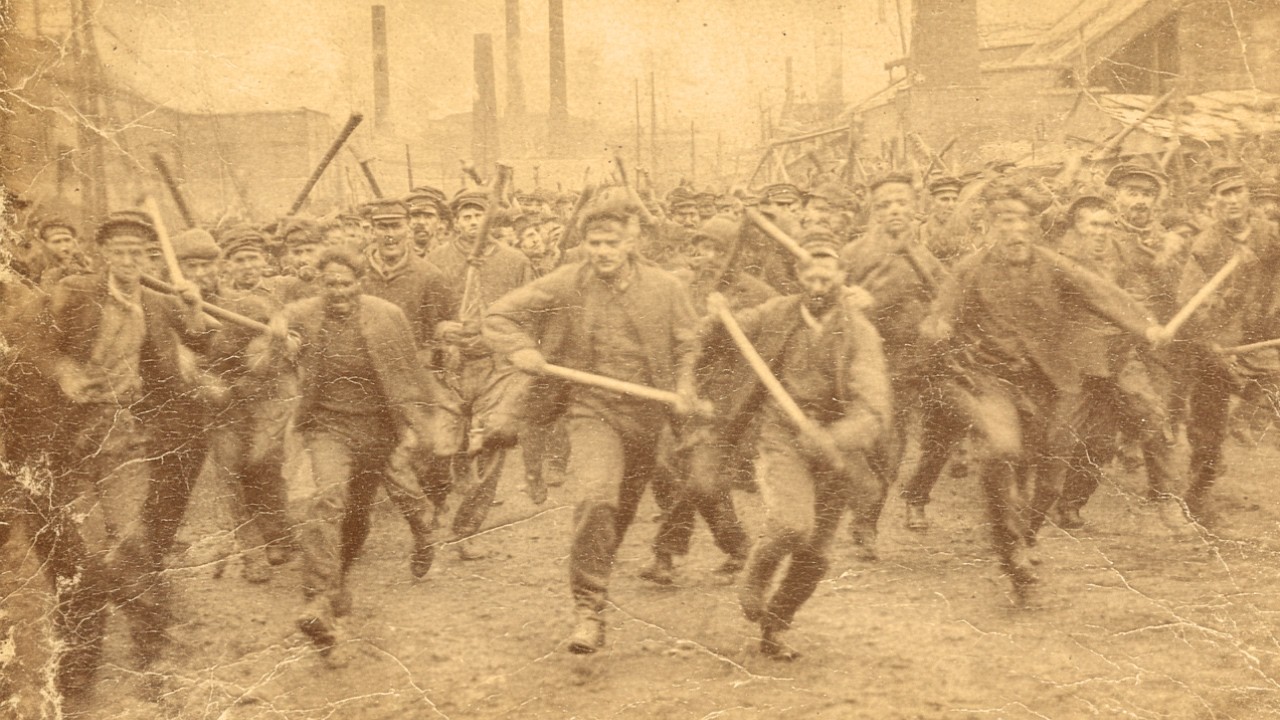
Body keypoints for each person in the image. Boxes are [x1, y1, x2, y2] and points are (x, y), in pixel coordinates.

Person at [919, 182, 1163, 600]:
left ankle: (1024, 535)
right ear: (990, 226)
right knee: (1002, 451)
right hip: (991, 378)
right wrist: (937, 327)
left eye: (1023, 220)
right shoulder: (971, 269)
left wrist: (1145, 326)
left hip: (1048, 381)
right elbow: (942, 311)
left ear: (1034, 226)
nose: (1015, 230)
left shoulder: (1053, 265)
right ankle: (1012, 550)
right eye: (1005, 220)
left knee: (1045, 474)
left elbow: (1101, 293)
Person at [483, 194, 701, 654]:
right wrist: (520, 348)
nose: (602, 251)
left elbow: (688, 344)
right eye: (594, 243)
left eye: (611, 243)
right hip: (592, 410)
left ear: (632, 242)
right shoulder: (568, 282)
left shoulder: (665, 288)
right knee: (595, 497)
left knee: (617, 514)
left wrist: (684, 385)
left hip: (649, 414)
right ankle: (589, 610)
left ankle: (596, 578)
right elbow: (499, 314)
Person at [695, 231, 890, 659]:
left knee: (816, 555)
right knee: (791, 524)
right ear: (799, 276)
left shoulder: (859, 332)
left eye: (827, 279)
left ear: (842, 276)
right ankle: (756, 573)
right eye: (811, 278)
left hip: (839, 446)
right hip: (782, 434)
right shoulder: (777, 312)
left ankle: (776, 626)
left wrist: (834, 437)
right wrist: (717, 315)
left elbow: (874, 408)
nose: (818, 287)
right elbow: (725, 332)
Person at [38, 211, 210, 670]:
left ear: (149, 257)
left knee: (131, 539)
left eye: (138, 253)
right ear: (103, 254)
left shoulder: (157, 303)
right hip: (71, 437)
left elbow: (203, 343)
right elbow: (36, 342)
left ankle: (151, 647)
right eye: (120, 252)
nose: (130, 261)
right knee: (83, 553)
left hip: (124, 436)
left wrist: (194, 309)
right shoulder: (75, 292)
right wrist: (63, 371)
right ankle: (78, 662)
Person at [268, 246, 436, 666]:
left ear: (360, 283)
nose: (339, 292)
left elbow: (410, 376)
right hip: (328, 427)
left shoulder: (387, 316)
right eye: (330, 284)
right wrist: (279, 334)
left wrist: (417, 429)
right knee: (326, 501)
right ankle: (319, 600)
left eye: (346, 284)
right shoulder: (303, 314)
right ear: (319, 284)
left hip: (379, 428)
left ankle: (422, 532)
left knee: (365, 515)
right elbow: (276, 340)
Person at [638, 217, 776, 585]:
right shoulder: (680, 286)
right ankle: (739, 547)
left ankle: (665, 554)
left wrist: (727, 317)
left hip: (730, 400)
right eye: (705, 248)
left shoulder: (758, 294)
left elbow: (765, 351)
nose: (711, 257)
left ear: (737, 254)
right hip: (681, 391)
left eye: (720, 250)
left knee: (700, 477)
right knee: (673, 472)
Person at [426, 190, 536, 560]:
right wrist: (443, 331)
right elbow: (425, 314)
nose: (474, 223)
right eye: (467, 216)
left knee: (494, 440)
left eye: (480, 215)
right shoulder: (437, 260)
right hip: (452, 366)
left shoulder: (515, 261)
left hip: (498, 364)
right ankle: (435, 504)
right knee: (443, 448)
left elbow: (531, 310)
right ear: (455, 221)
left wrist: (512, 341)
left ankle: (466, 530)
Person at [841, 174, 948, 546]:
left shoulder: (924, 258)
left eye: (901, 203)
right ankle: (860, 516)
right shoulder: (853, 254)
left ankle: (873, 517)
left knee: (899, 447)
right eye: (885, 205)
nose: (894, 211)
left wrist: (937, 319)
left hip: (913, 364)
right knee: (872, 446)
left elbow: (947, 298)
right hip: (868, 364)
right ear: (874, 211)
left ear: (915, 207)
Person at [1171, 165, 1280, 524]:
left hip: (1262, 341)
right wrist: (1227, 299)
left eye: (1238, 191)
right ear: (1213, 200)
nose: (1232, 200)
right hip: (1218, 346)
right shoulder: (1207, 244)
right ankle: (1196, 501)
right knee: (1208, 433)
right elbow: (1191, 300)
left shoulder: (1270, 234)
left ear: (1249, 195)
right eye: (1224, 194)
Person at [359, 198, 457, 577]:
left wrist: (447, 339)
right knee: (380, 455)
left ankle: (432, 502)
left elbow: (442, 326)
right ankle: (416, 524)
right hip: (365, 378)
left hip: (413, 377)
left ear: (407, 229)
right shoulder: (355, 274)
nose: (389, 234)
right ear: (371, 230)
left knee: (431, 449)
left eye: (395, 226)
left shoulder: (430, 276)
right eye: (381, 226)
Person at [406, 185, 450, 255]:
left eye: (428, 216)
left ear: (439, 221)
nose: (421, 222)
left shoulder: (448, 253)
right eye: (415, 216)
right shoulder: (396, 255)